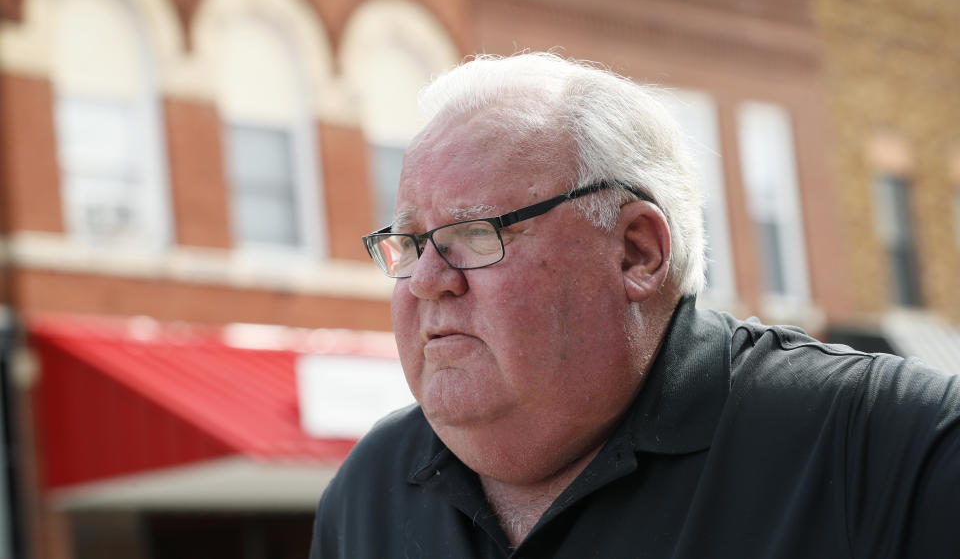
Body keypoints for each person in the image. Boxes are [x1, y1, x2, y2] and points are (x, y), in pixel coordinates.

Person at [310, 53, 960, 558]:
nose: (426, 279)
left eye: (474, 234)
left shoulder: (888, 450)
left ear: (637, 252)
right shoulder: (370, 493)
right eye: (409, 242)